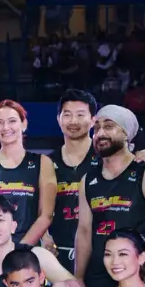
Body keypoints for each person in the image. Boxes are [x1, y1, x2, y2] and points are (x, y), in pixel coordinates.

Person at [73, 105, 145, 287]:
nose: (100, 133)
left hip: (139, 271)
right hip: (99, 272)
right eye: (96, 128)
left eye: (109, 126)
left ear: (126, 133)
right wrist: (79, 277)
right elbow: (84, 231)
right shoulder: (87, 179)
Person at [0, 100, 56, 246]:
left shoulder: (42, 163)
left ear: (24, 124)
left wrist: (20, 249)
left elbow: (45, 215)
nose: (6, 127)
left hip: (27, 248)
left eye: (12, 121)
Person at [46, 89, 98, 276]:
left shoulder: (107, 159)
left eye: (80, 115)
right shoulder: (47, 163)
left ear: (93, 120)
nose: (73, 121)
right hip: (58, 253)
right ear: (58, 119)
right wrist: (44, 236)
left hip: (101, 253)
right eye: (67, 114)